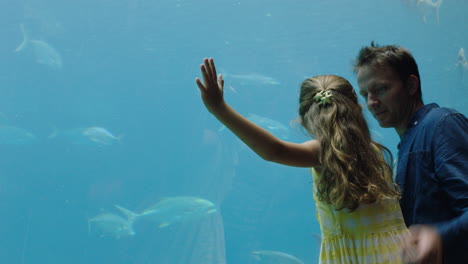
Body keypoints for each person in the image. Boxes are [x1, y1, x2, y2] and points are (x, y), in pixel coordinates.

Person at [196, 58, 408, 263]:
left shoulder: (324, 151)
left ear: (306, 119)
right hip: (399, 253)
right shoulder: (374, 150)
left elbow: (275, 151)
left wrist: (219, 109)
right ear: (357, 109)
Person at [354, 42, 468, 264]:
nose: (371, 103)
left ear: (411, 85)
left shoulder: (441, 125)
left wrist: (437, 236)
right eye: (365, 94)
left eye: (380, 89)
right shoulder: (409, 141)